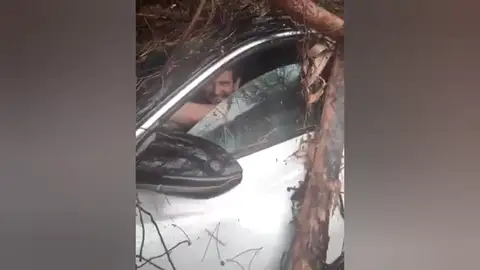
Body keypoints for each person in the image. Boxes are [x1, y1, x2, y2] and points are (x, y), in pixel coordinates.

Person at [169, 69, 240, 129]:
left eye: (224, 84)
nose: (216, 91)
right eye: (209, 84)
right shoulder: (195, 99)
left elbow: (228, 112)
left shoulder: (245, 106)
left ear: (236, 84)